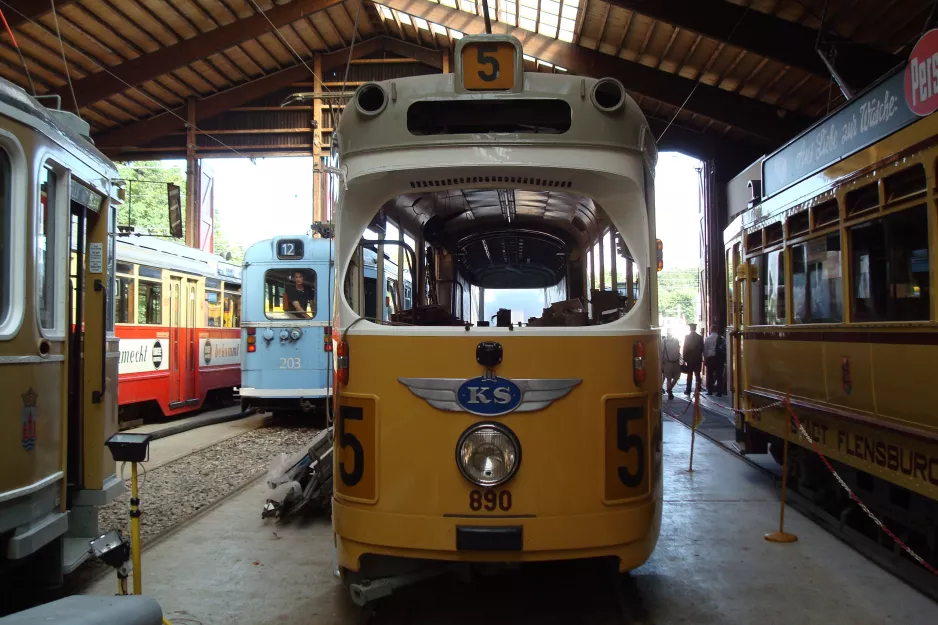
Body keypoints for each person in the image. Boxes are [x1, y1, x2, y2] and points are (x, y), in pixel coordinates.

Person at [682, 322, 703, 396]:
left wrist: (684, 359)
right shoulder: (700, 337)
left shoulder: (687, 337)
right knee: (697, 374)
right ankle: (698, 389)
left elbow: (685, 348)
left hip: (690, 359)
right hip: (698, 359)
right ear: (695, 328)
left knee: (689, 374)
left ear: (690, 328)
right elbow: (702, 348)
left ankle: (688, 390)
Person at [660, 330, 681, 400]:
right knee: (669, 378)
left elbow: (678, 350)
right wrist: (662, 362)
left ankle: (669, 389)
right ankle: (670, 393)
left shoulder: (676, 340)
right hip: (667, 362)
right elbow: (661, 353)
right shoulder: (663, 342)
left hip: (675, 361)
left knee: (677, 377)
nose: (669, 335)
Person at [703, 325, 723, 396]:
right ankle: (719, 391)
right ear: (716, 330)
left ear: (710, 330)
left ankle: (710, 391)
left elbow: (705, 350)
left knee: (710, 375)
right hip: (719, 358)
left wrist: (705, 359)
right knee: (719, 375)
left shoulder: (707, 339)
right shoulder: (721, 338)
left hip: (710, 358)